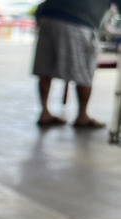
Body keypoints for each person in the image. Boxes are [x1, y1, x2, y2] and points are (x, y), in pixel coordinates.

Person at [33, 0, 121, 128]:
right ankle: (82, 116)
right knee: (84, 69)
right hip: (78, 20)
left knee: (45, 68)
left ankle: (44, 113)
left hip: (47, 15)